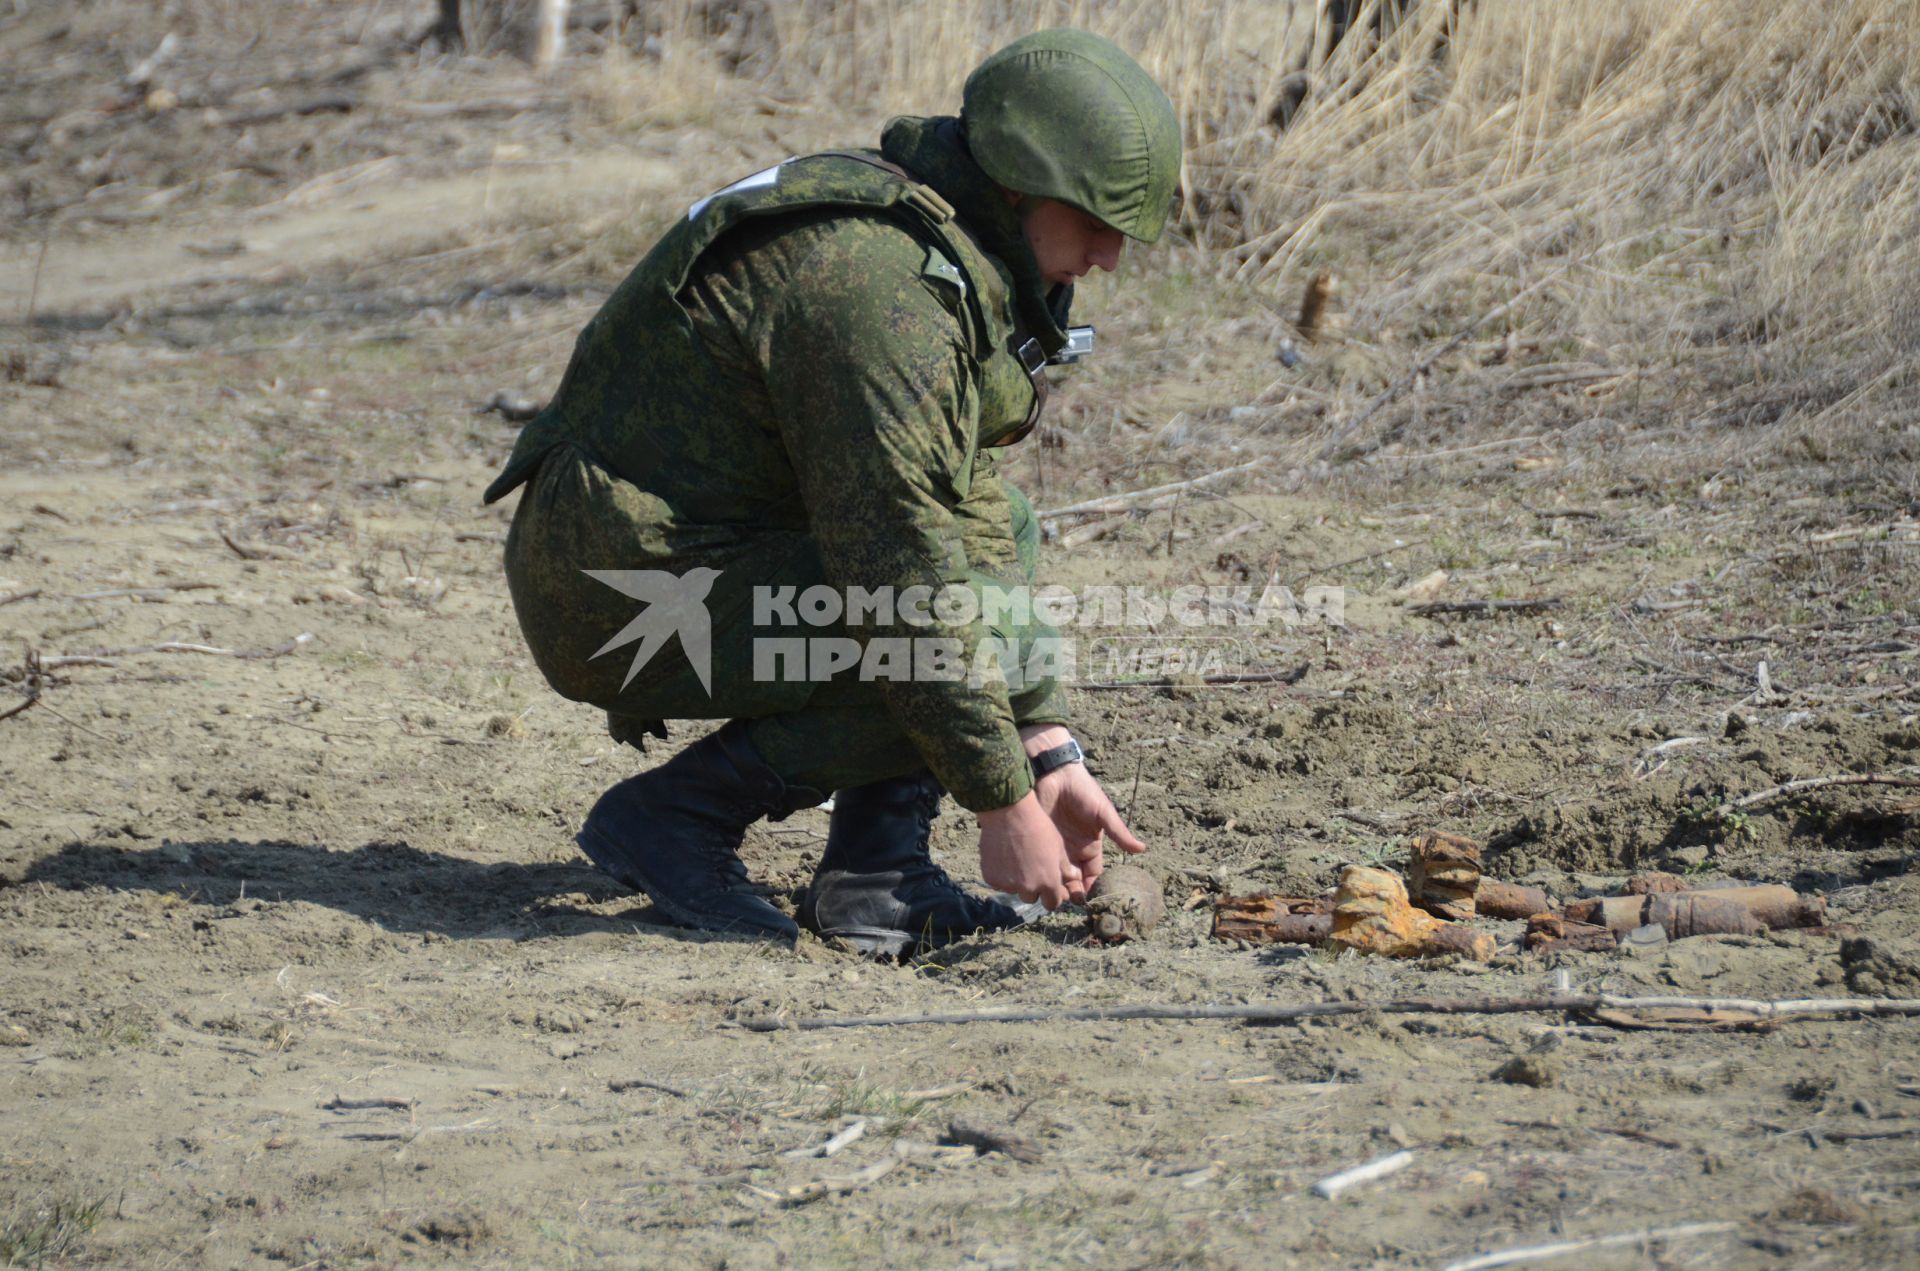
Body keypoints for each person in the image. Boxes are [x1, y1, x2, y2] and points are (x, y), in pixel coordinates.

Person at [482, 28, 1182, 954]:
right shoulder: (878, 290)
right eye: (1095, 223)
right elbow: (898, 572)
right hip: (620, 586)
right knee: (918, 618)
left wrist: (1046, 743)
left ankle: (878, 875)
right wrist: (1002, 798)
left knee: (993, 537)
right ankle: (676, 817)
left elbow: (965, 501)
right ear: (1019, 185)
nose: (1108, 260)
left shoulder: (947, 245)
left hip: (686, 553)